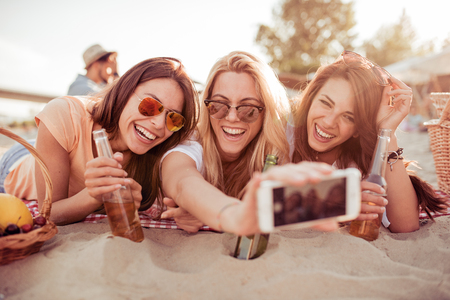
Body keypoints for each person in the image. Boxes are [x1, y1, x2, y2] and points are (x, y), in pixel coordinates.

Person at [1, 57, 199, 225]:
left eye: (174, 119)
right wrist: (95, 195)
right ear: (125, 90)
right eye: (150, 105)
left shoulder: (165, 149)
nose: (158, 123)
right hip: (18, 162)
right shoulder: (63, 113)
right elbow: (49, 213)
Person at [160, 51, 337, 235]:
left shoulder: (279, 146)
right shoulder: (190, 143)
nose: (232, 117)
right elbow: (183, 182)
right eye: (219, 105)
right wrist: (225, 214)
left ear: (265, 113)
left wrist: (350, 198)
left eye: (248, 109)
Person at [289, 50, 448, 233]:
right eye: (326, 103)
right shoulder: (282, 137)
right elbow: (261, 202)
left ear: (358, 129)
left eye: (349, 116)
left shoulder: (359, 165)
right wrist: (340, 203)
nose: (329, 122)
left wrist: (387, 132)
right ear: (310, 99)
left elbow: (406, 225)